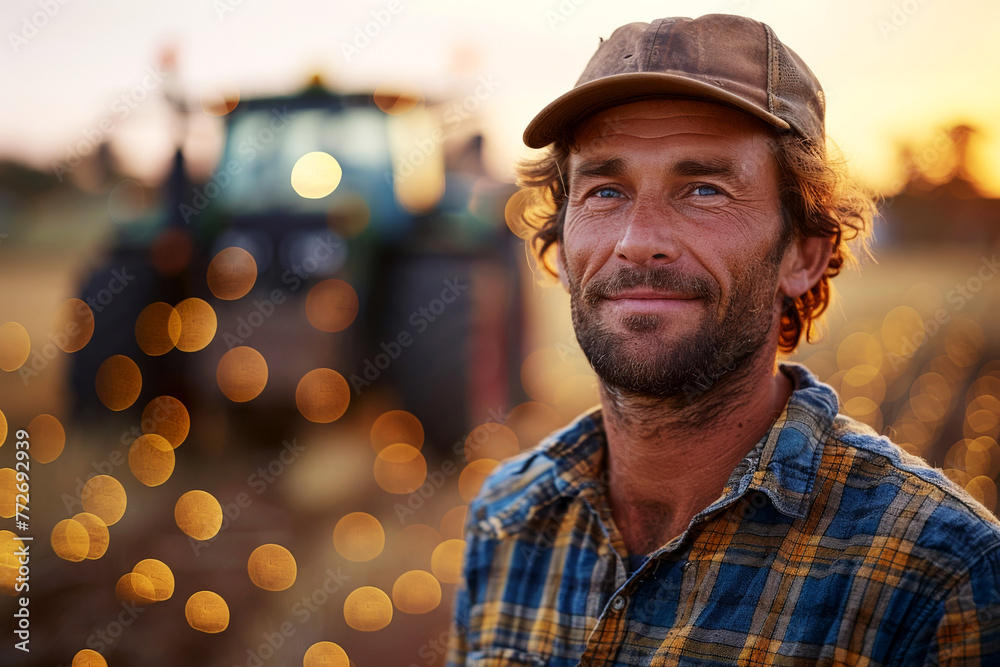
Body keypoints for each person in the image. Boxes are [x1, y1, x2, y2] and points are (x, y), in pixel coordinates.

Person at [446, 13, 1000, 666]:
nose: (637, 240)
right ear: (562, 249)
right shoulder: (508, 519)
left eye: (703, 189)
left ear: (803, 253)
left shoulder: (939, 577)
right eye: (605, 190)